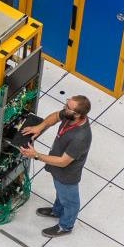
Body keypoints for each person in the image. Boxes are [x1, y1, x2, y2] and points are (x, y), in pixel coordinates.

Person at [19, 94, 93, 238]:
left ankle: (65, 226)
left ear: (78, 115)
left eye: (68, 107)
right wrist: (39, 127)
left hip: (67, 174)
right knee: (60, 192)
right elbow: (55, 117)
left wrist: (36, 155)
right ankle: (57, 211)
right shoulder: (69, 115)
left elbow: (63, 161)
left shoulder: (81, 137)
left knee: (70, 200)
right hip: (56, 166)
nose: (64, 109)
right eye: (66, 104)